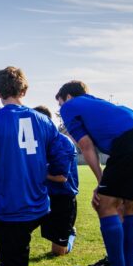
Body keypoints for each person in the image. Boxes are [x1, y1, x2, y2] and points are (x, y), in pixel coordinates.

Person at [0, 66, 113, 266]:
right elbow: (61, 163)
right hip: (41, 204)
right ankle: (6, 265)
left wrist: (1, 164)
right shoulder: (45, 122)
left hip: (11, 210)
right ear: (24, 90)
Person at [56, 81, 133, 266]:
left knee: (105, 204)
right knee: (132, 206)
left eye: (60, 103)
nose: (61, 108)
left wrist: (101, 182)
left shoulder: (70, 106)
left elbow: (86, 146)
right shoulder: (99, 105)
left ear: (68, 97)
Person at [34, 105, 78, 256]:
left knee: (58, 252)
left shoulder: (62, 143)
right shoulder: (36, 142)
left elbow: (61, 177)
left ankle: (71, 235)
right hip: (43, 195)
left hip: (63, 197)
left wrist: (38, 173)